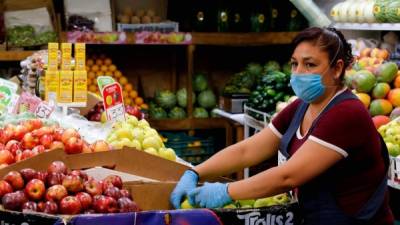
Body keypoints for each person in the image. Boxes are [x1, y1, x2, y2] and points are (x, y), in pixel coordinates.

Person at [170, 27, 394, 225]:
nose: (298, 73)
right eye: (294, 64)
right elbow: (248, 150)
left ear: (337, 69)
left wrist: (225, 191)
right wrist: (195, 172)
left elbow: (287, 176)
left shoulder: (347, 113)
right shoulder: (302, 106)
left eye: (310, 65)